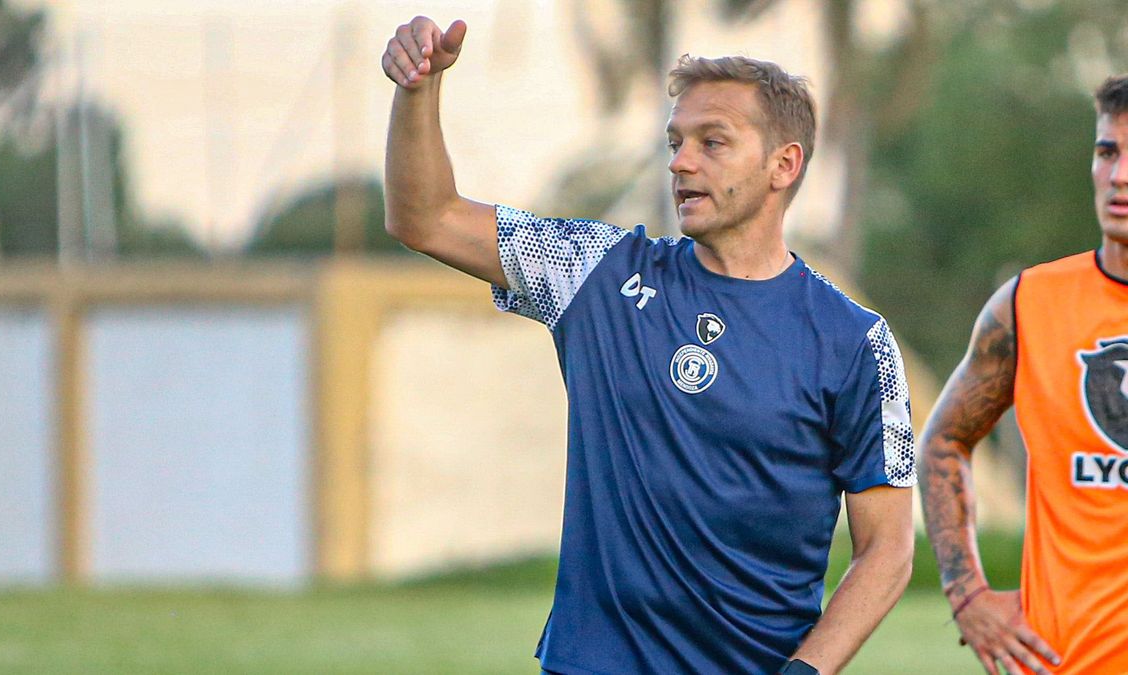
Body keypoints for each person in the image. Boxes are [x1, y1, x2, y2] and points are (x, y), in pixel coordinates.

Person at [382, 16, 915, 674]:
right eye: (676, 141)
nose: (681, 161)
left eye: (712, 142)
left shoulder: (856, 341)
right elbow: (426, 217)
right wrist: (418, 91)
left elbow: (887, 549)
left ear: (785, 164)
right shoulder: (597, 272)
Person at [919, 74, 1128, 675]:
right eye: (1106, 151)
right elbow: (944, 440)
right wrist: (967, 596)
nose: (1118, 176)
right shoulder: (1029, 305)